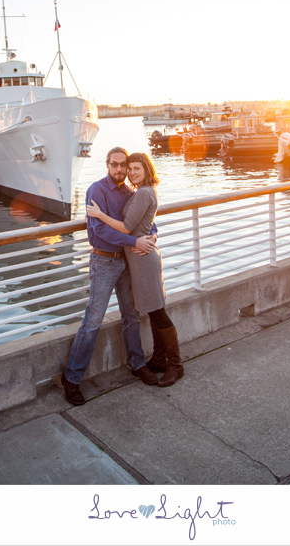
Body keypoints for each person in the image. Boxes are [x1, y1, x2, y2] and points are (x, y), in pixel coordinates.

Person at [61, 147, 159, 406]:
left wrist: (152, 235)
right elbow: (100, 230)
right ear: (107, 164)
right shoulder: (96, 191)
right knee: (93, 320)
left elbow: (145, 220)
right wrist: (133, 239)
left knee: (131, 315)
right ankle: (71, 378)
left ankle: (137, 364)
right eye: (114, 165)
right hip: (104, 261)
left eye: (123, 166)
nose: (119, 170)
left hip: (128, 261)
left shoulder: (131, 192)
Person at [87, 151, 184, 387]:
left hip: (143, 259)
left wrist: (99, 215)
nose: (131, 172)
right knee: (152, 310)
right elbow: (147, 223)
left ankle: (175, 365)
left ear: (147, 170)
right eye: (130, 169)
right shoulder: (138, 192)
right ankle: (160, 359)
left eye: (136, 168)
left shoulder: (143, 192)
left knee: (158, 312)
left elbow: (128, 227)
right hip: (139, 258)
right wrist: (152, 233)